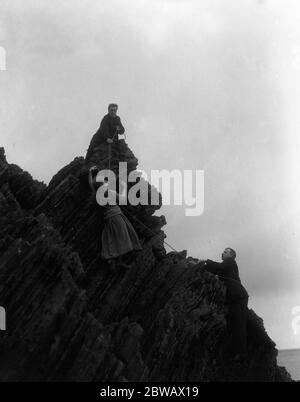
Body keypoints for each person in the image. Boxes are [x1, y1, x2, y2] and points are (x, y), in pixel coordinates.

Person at [88, 166, 142, 272]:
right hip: (116, 216)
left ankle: (115, 261)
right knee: (122, 239)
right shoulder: (108, 192)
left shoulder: (96, 194)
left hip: (109, 217)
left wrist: (90, 172)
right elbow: (123, 199)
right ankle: (115, 261)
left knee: (114, 239)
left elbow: (91, 184)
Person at [200, 248, 249, 359]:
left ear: (231, 255)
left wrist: (206, 260)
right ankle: (237, 352)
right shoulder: (226, 266)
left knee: (239, 324)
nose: (222, 253)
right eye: (223, 251)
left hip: (239, 297)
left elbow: (219, 267)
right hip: (235, 298)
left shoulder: (230, 262)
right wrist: (199, 265)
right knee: (235, 323)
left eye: (225, 252)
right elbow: (214, 269)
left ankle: (241, 353)